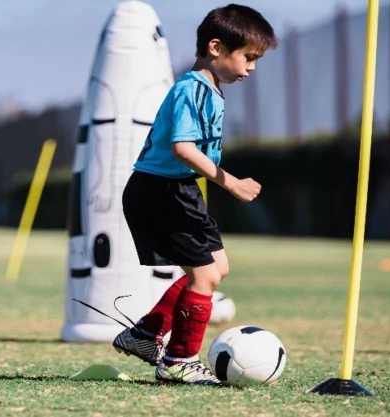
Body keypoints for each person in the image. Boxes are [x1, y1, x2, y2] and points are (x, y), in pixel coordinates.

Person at [112, 4, 277, 385]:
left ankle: (144, 335)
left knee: (217, 269)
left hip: (179, 189)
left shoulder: (212, 89)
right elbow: (182, 148)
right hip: (160, 190)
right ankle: (178, 361)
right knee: (203, 275)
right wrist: (230, 182)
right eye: (248, 57)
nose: (251, 68)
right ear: (216, 47)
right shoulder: (191, 88)